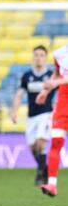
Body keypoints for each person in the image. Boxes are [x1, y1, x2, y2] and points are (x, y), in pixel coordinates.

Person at [11, 45, 54, 186]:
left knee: (41, 142)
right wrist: (15, 112)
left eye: (41, 55)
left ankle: (40, 175)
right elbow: (19, 95)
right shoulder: (27, 76)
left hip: (46, 114)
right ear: (33, 57)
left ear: (46, 58)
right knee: (32, 147)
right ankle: (45, 169)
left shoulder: (51, 76)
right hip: (32, 116)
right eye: (36, 55)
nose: (38, 57)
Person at [36, 43, 68, 197]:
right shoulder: (60, 54)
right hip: (63, 104)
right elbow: (57, 74)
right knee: (56, 142)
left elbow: (58, 80)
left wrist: (55, 83)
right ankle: (52, 184)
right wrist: (45, 91)